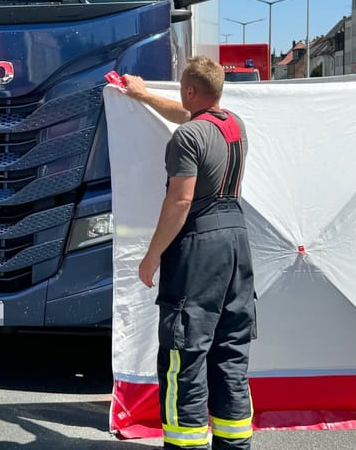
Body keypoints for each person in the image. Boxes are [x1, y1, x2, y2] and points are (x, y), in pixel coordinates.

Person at [117, 58, 255, 450]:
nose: (180, 93)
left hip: (200, 247)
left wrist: (152, 255)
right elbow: (189, 115)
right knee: (230, 351)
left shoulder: (186, 138)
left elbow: (180, 200)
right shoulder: (233, 124)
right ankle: (235, 444)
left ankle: (187, 445)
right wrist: (143, 95)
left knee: (184, 354)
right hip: (236, 242)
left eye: (182, 87)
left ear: (192, 90)